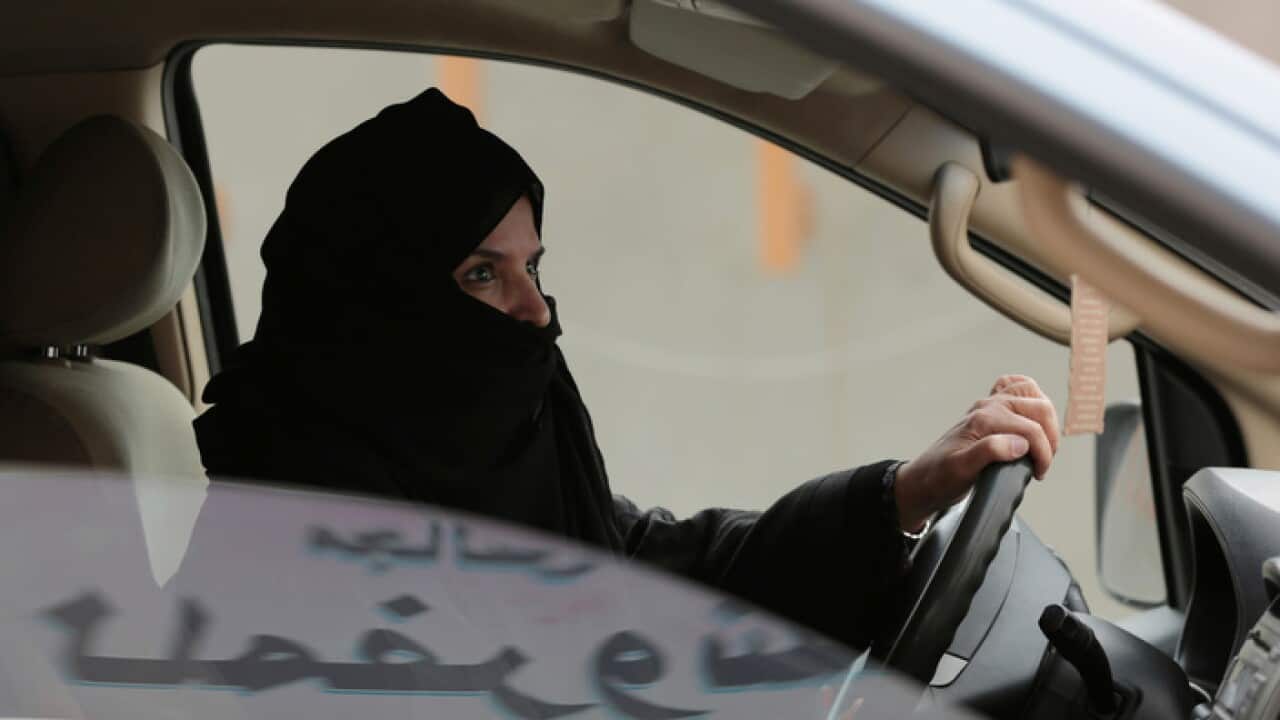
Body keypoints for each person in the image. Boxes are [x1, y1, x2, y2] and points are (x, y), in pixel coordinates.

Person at [193, 88, 1060, 650]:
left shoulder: (503, 475)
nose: (535, 313)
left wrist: (898, 497)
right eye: (481, 274)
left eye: (533, 268)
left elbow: (656, 567)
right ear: (374, 306)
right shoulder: (281, 547)